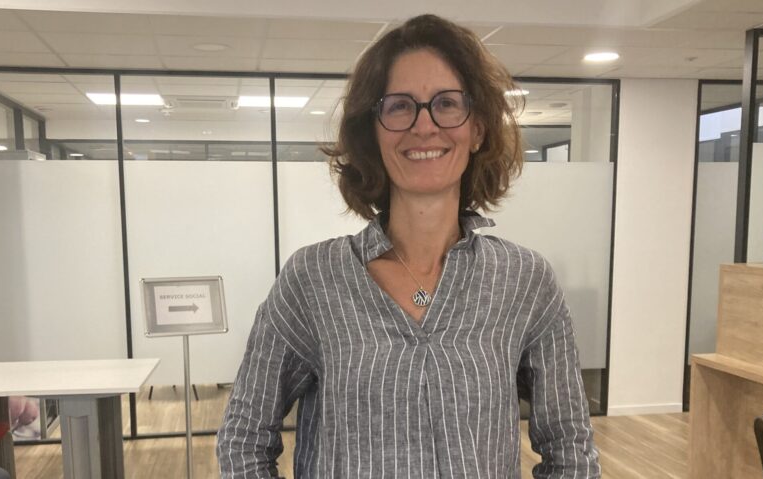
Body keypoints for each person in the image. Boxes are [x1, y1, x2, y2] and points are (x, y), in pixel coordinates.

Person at [218, 14, 600, 478]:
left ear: (477, 129)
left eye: (447, 103)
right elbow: (243, 439)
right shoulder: (314, 280)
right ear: (374, 131)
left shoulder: (523, 282)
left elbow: (570, 449)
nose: (424, 126)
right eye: (400, 106)